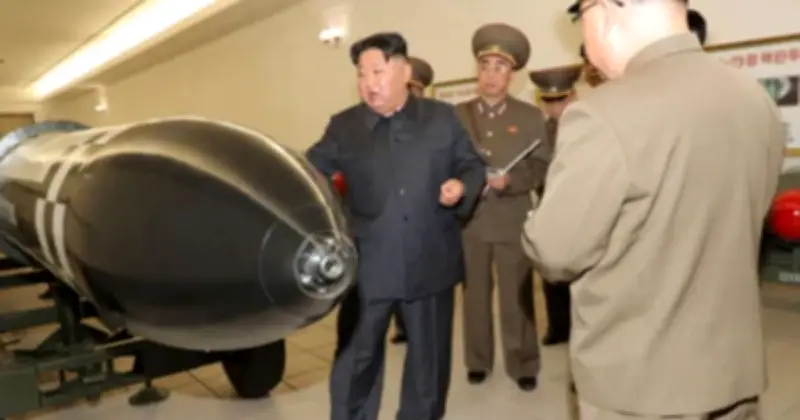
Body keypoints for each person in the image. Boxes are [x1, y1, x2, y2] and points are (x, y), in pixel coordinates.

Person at [522, 0, 785, 419]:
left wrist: (536, 221)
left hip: (640, 384)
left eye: (580, 17)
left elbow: (556, 252)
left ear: (605, 11)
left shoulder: (603, 113)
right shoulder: (751, 95)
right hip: (732, 369)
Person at [306, 32, 485, 420]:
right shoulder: (344, 127)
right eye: (361, 74)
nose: (368, 83)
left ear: (405, 72)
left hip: (430, 260)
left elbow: (472, 166)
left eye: (378, 71)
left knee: (428, 367)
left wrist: (462, 187)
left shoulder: (441, 118)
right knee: (356, 361)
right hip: (369, 266)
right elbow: (309, 174)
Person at [454, 23, 547, 392]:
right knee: (474, 296)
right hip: (471, 223)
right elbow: (444, 164)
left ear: (512, 74)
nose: (491, 74)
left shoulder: (530, 117)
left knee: (516, 296)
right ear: (477, 70)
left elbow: (541, 167)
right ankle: (478, 360)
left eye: (500, 67)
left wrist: (512, 181)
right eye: (485, 66)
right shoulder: (457, 116)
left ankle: (524, 363)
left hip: (511, 220)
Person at [527, 65, 582, 347]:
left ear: (572, 97)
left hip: (582, 206)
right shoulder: (539, 132)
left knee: (582, 270)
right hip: (550, 205)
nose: (555, 107)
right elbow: (534, 169)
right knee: (552, 268)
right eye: (549, 101)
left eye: (560, 99)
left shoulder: (587, 125)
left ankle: (581, 327)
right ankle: (558, 326)